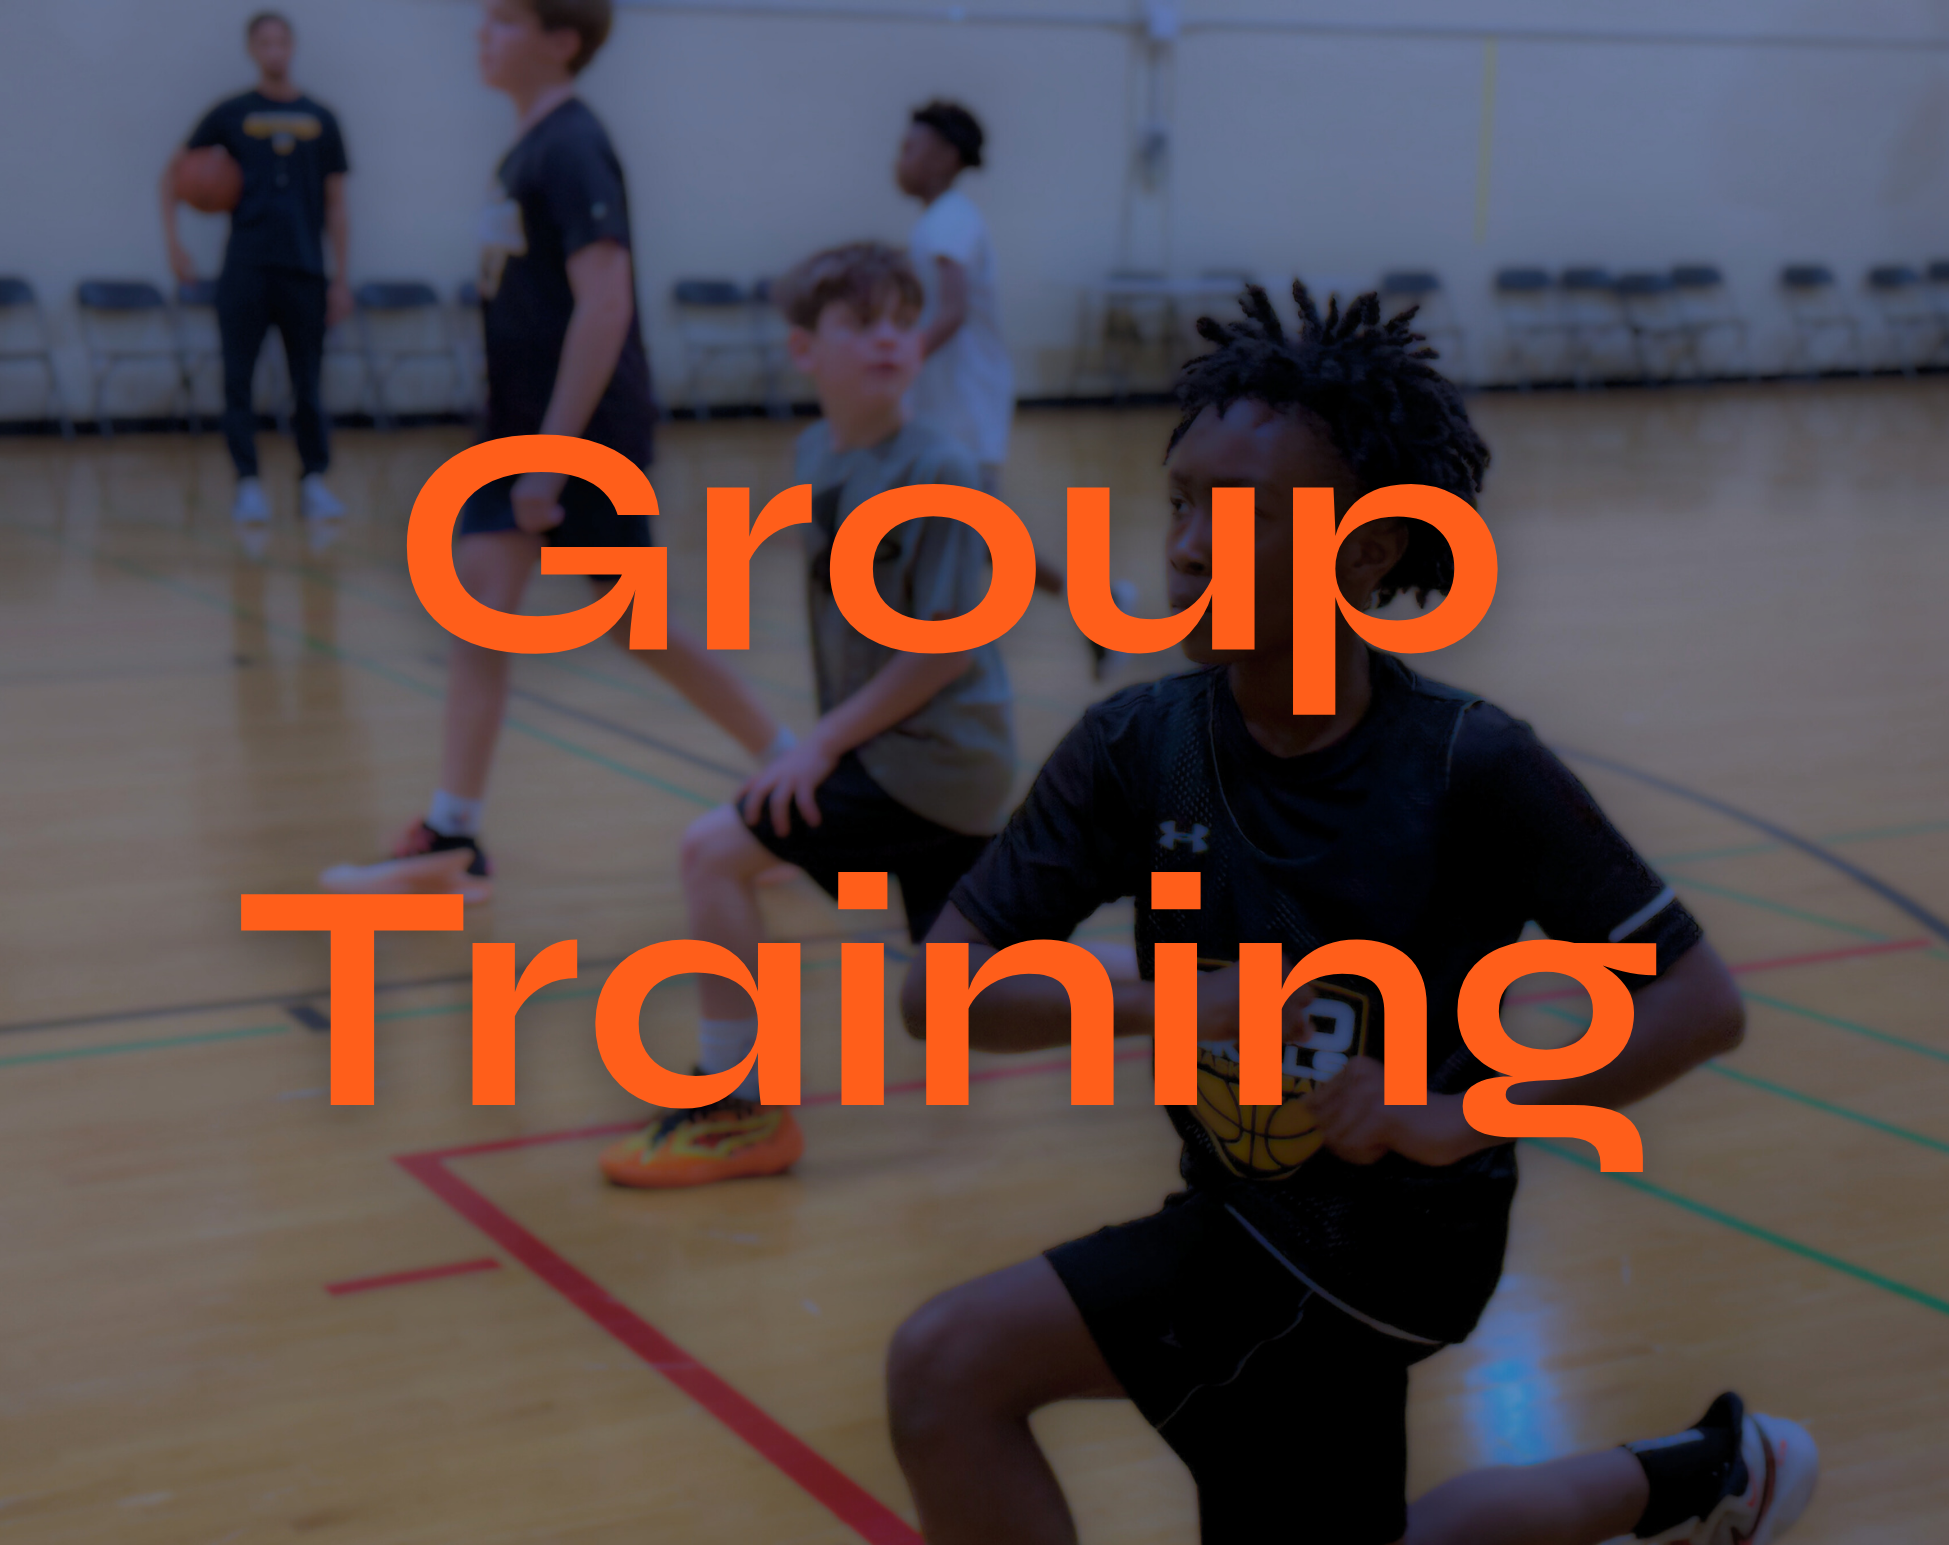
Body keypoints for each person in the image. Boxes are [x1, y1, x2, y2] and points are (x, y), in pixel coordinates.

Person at [885, 283, 1819, 1545]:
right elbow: (941, 994)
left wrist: (1469, 1109)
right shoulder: (1136, 747)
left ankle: (1702, 1474)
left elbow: (1698, 1002)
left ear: (1366, 550)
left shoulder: (1465, 766)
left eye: (1240, 511)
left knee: (948, 1367)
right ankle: (1705, 1474)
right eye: (1181, 504)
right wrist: (1170, 1001)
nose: (1187, 545)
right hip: (1230, 1206)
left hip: (1382, 1251)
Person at [319, 0, 783, 901]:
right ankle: (452, 834)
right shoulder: (527, 146)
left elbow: (604, 301)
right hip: (519, 432)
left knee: (630, 621)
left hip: (574, 436)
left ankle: (801, 775)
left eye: (502, 19)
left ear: (560, 39)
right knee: (490, 611)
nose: (480, 34)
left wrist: (554, 454)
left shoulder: (571, 145)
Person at [599, 242, 1016, 1188]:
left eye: (901, 321)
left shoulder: (937, 469)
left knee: (713, 852)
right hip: (912, 751)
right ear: (803, 350)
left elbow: (947, 641)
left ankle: (738, 1105)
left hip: (930, 757)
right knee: (980, 988)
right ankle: (1227, 993)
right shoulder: (819, 454)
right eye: (858, 322)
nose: (886, 338)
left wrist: (821, 745)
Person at [896, 101, 1134, 676]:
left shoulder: (949, 221)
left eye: (911, 147)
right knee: (972, 534)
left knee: (975, 532)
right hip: (946, 402)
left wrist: (898, 363)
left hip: (962, 404)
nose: (899, 159)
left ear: (946, 157)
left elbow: (950, 311)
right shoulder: (939, 221)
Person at [162, 11, 351, 527]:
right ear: (252, 50)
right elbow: (172, 172)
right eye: (264, 42)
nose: (274, 50)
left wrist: (342, 276)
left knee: (307, 383)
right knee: (238, 381)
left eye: (281, 41)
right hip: (245, 267)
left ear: (292, 47)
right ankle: (247, 484)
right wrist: (175, 245)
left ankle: (313, 480)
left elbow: (336, 202)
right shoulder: (231, 112)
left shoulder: (322, 117)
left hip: (305, 269)